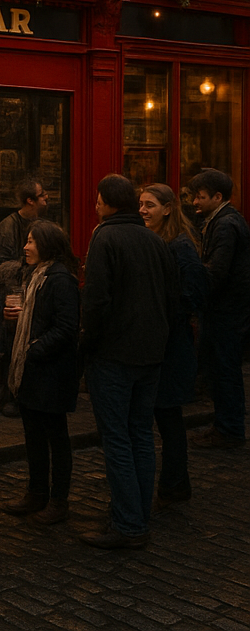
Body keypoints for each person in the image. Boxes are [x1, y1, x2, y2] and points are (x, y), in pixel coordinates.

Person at [79, 174, 179, 550]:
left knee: (118, 438)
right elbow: (172, 299)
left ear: (106, 202)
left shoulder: (105, 236)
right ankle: (137, 512)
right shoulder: (155, 240)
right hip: (150, 355)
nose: (95, 206)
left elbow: (96, 300)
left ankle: (129, 523)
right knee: (140, 434)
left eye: (97, 200)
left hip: (115, 355)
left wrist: (89, 343)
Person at [1, 220, 80, 525]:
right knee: (33, 436)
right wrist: (18, 320)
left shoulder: (61, 279)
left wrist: (34, 348)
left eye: (32, 241)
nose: (26, 247)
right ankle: (35, 493)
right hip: (33, 371)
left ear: (47, 245)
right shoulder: (37, 276)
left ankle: (58, 501)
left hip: (51, 372)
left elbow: (66, 328)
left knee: (56, 438)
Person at [139, 183, 210, 502]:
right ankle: (174, 482)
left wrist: (162, 314)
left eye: (149, 205)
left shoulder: (181, 246)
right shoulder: (159, 241)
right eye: (141, 204)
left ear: (167, 208)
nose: (143, 210)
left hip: (172, 345)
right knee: (164, 416)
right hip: (160, 341)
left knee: (168, 416)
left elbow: (191, 295)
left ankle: (175, 483)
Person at [187, 168, 250, 448]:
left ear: (218, 196)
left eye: (200, 197)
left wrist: (192, 279)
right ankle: (225, 426)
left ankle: (229, 430)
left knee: (225, 370)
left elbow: (217, 272)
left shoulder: (225, 225)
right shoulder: (220, 220)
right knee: (222, 369)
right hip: (227, 309)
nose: (194, 203)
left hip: (227, 312)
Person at [0, 178, 49, 418]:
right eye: (43, 195)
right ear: (30, 200)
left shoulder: (45, 225)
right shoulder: (7, 227)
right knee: (10, 345)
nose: (47, 198)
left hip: (37, 291)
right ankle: (8, 393)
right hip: (13, 295)